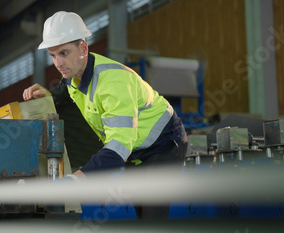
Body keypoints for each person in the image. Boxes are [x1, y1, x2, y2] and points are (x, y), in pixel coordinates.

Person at [22, 11, 188, 220]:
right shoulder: (76, 74)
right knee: (142, 215)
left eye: (64, 53)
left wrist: (75, 181)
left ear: (83, 48)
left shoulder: (113, 84)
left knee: (153, 217)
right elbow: (66, 89)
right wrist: (50, 95)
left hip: (164, 144)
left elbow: (119, 147)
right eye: (53, 55)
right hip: (136, 151)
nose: (57, 63)